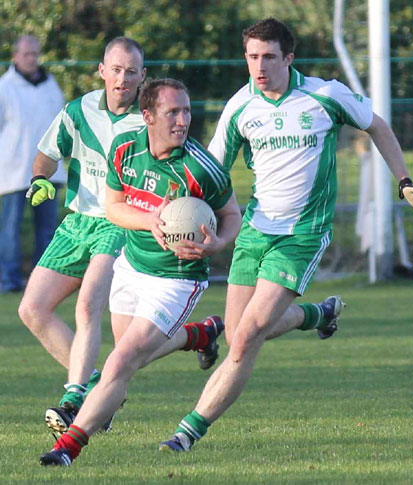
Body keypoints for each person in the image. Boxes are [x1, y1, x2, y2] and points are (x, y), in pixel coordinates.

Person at [157, 18, 413, 453]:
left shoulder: (324, 95)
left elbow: (378, 126)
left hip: (303, 235)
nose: (259, 65)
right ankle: (317, 315)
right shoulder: (240, 107)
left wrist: (404, 182)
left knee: (249, 334)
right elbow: (210, 175)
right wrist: (173, 210)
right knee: (237, 335)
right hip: (254, 232)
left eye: (269, 56)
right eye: (252, 56)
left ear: (289, 58)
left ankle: (187, 432)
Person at [38, 77, 242, 466]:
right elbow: (113, 207)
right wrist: (152, 219)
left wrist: (217, 244)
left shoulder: (203, 168)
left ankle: (68, 447)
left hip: (178, 279)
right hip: (131, 268)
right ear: (147, 115)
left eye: (186, 111)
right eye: (172, 112)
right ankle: (199, 334)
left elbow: (232, 215)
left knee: (119, 363)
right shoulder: (125, 150)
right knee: (126, 362)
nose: (183, 120)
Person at [18, 37, 149, 435]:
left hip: (118, 221)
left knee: (89, 304)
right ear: (102, 70)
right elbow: (47, 152)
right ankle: (98, 390)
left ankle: (74, 401)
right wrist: (41, 179)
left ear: (142, 77)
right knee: (32, 310)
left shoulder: (147, 121)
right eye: (116, 69)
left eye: (131, 71)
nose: (123, 78)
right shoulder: (80, 110)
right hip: (76, 222)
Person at [0, 35, 66, 293]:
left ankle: (43, 280)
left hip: (48, 172)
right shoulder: (5, 86)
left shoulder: (52, 85)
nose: (31, 59)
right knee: (10, 229)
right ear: (15, 56)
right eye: (26, 54)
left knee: (47, 230)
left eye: (35, 54)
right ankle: (9, 280)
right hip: (13, 171)